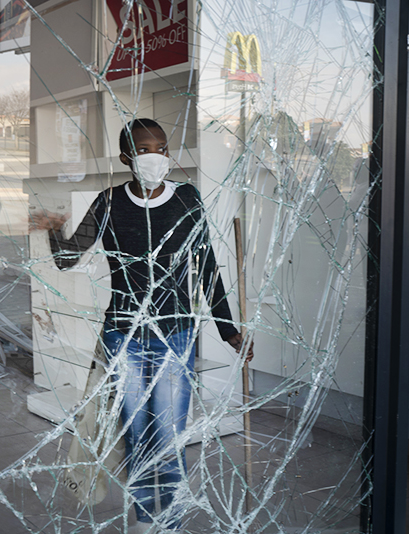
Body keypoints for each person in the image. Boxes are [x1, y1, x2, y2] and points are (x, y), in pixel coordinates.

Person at [31, 118, 254, 532]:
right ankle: (144, 521)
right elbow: (67, 258)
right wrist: (53, 230)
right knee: (137, 436)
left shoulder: (187, 199)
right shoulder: (109, 202)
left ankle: (166, 524)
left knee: (168, 439)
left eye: (161, 147)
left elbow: (205, 266)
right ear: (127, 158)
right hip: (124, 337)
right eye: (145, 148)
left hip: (176, 336)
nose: (156, 156)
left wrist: (228, 329)